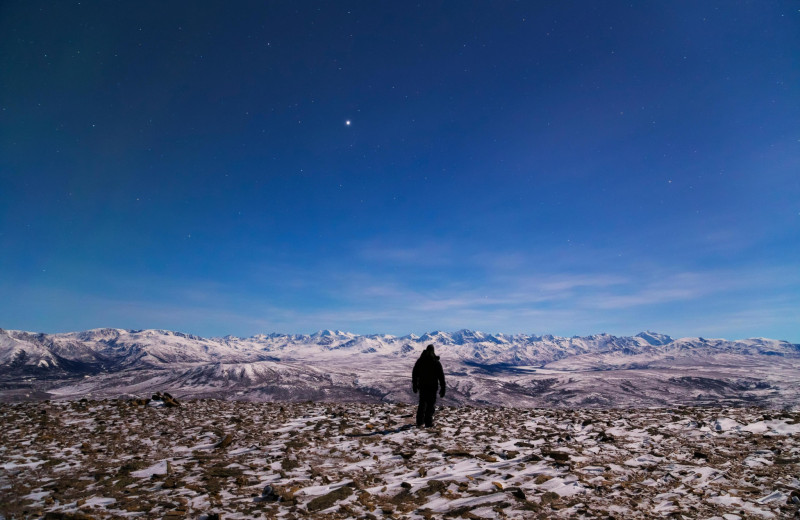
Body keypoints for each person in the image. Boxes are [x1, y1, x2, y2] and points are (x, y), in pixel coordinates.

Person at [412, 344, 446, 428]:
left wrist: (415, 385)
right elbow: (441, 376)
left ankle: (419, 422)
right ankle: (428, 423)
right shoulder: (435, 362)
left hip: (423, 386)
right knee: (430, 405)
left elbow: (415, 373)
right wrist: (443, 387)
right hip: (432, 387)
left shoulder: (420, 361)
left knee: (422, 404)